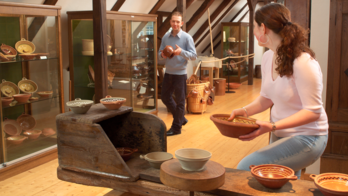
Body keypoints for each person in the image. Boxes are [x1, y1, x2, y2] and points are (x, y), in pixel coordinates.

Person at [229, 3, 328, 178]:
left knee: (246, 167)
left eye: (254, 26)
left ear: (263, 28)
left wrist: (272, 126)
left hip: (308, 137)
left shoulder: (303, 62)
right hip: (280, 132)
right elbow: (266, 99)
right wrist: (243, 111)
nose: (253, 31)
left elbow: (313, 112)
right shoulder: (268, 57)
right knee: (284, 184)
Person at [158, 11, 197, 136]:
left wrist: (181, 52)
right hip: (168, 73)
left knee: (180, 102)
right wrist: (162, 55)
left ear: (182, 23)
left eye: (177, 22)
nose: (175, 24)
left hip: (180, 74)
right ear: (170, 22)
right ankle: (181, 118)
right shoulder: (165, 37)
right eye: (173, 21)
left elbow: (194, 56)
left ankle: (176, 128)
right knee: (164, 97)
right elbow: (160, 54)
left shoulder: (187, 38)